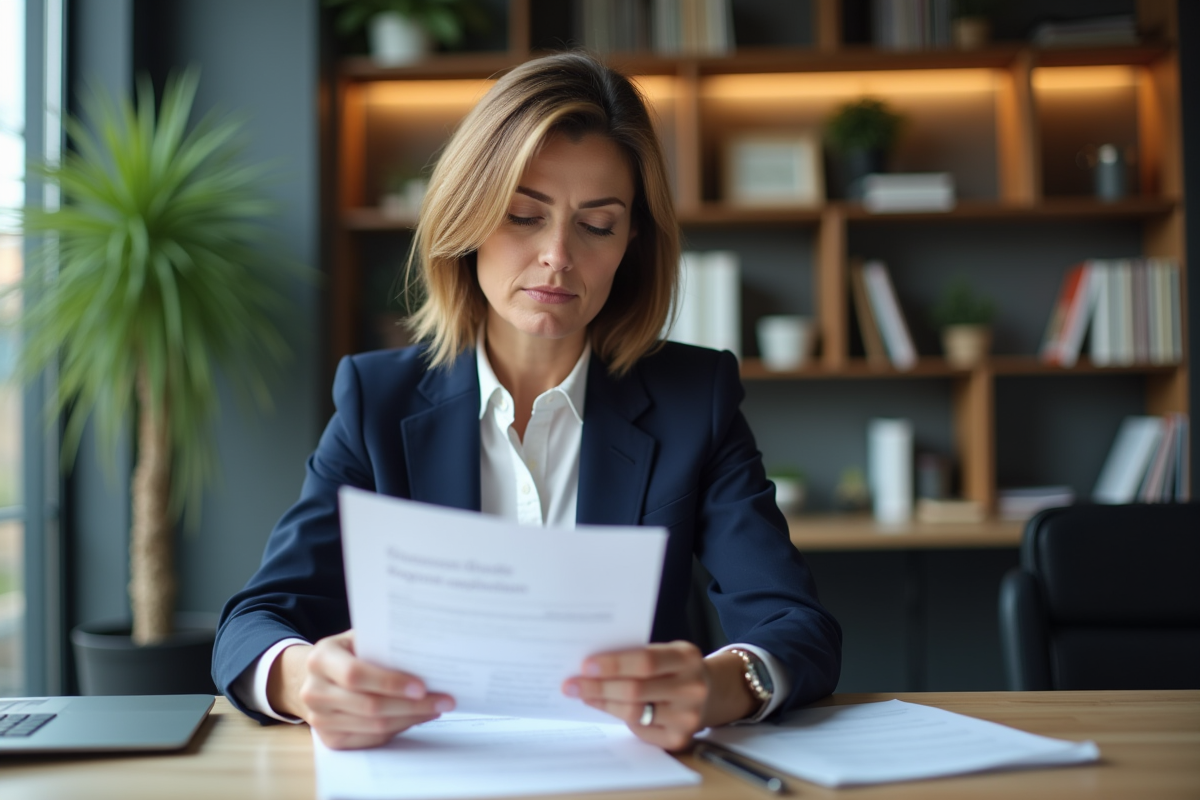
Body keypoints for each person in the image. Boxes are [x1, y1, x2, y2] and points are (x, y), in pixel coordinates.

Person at [213, 51, 841, 753]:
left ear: (632, 242)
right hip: (432, 771)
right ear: (469, 217)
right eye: (522, 216)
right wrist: (305, 679)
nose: (557, 256)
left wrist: (719, 685)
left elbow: (795, 625)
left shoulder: (695, 399)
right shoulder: (377, 401)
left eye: (597, 225)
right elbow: (256, 621)